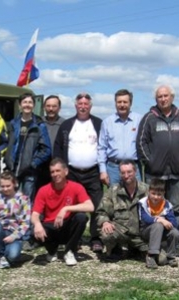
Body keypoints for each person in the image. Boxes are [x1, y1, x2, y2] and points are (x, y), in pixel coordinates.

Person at [136, 85, 179, 255]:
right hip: (155, 174)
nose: (163, 99)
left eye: (166, 96)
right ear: (156, 99)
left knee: (175, 209)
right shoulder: (149, 118)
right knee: (152, 208)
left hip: (176, 173)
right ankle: (153, 245)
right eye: (160, 96)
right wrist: (152, 162)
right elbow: (141, 143)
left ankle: (173, 246)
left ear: (172, 97)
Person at [54, 92, 103, 252]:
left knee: (97, 205)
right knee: (71, 205)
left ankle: (96, 237)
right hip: (72, 172)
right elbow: (59, 148)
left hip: (93, 172)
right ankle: (74, 236)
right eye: (80, 104)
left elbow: (104, 148)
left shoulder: (98, 124)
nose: (83, 107)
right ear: (76, 106)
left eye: (86, 104)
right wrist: (60, 170)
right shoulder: (67, 125)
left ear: (90, 106)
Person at [31, 158, 94, 266]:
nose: (55, 174)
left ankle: (69, 251)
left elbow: (90, 207)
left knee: (81, 217)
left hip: (68, 226)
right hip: (51, 227)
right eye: (52, 172)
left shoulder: (76, 187)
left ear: (66, 172)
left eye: (58, 171)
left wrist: (66, 209)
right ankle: (52, 251)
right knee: (35, 230)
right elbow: (35, 214)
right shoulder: (43, 190)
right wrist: (37, 224)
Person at [96, 160, 148, 260]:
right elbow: (101, 211)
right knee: (107, 233)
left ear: (135, 172)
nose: (126, 175)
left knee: (161, 259)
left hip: (140, 234)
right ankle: (116, 249)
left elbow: (159, 210)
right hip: (121, 231)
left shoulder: (146, 190)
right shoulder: (113, 190)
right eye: (123, 172)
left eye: (129, 172)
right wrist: (105, 222)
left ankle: (136, 250)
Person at [4, 92, 51, 202]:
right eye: (25, 102)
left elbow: (46, 149)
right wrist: (7, 159)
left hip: (29, 172)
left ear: (34, 105)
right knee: (10, 201)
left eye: (30, 102)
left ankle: (26, 220)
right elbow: (7, 143)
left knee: (26, 202)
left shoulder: (39, 125)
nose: (27, 105)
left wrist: (33, 164)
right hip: (12, 169)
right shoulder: (13, 123)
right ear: (20, 105)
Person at [0, 171, 31, 269]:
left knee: (12, 256)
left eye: (8, 186)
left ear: (15, 184)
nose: (5, 189)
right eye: (2, 186)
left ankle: (1, 251)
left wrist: (14, 236)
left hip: (14, 232)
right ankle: (0, 256)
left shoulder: (24, 199)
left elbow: (25, 223)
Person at [97, 89, 142, 186]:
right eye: (119, 102)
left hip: (134, 167)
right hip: (114, 169)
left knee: (137, 198)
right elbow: (102, 147)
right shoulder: (107, 122)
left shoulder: (139, 120)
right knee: (114, 199)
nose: (122, 105)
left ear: (130, 103)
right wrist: (103, 171)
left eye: (125, 102)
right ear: (115, 103)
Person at [139, 178, 179, 269]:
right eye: (153, 193)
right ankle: (151, 256)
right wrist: (159, 220)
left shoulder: (166, 205)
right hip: (146, 232)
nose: (156, 197)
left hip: (161, 233)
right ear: (149, 192)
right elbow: (145, 219)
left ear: (163, 194)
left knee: (175, 232)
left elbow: (174, 223)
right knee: (158, 225)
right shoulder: (143, 203)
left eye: (159, 194)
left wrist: (166, 221)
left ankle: (171, 256)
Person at [37, 95, 66, 189]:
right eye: (48, 106)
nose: (51, 109)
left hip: (58, 165)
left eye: (54, 106)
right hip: (40, 166)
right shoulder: (38, 123)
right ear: (44, 107)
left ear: (59, 108)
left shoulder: (65, 124)